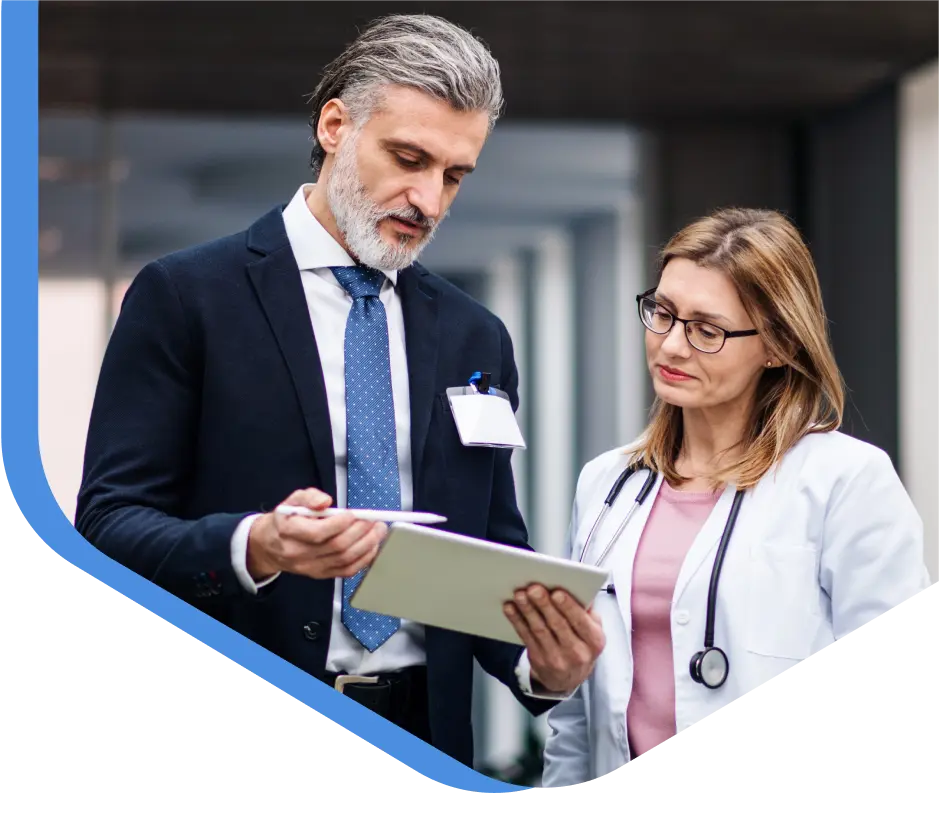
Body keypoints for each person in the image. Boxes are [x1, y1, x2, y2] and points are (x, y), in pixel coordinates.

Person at [74, 14, 604, 772]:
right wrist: (254, 544)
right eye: (408, 158)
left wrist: (539, 666)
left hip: (425, 731)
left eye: (453, 175)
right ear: (334, 126)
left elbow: (486, 549)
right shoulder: (188, 298)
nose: (428, 199)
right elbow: (105, 526)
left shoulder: (473, 335)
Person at [535, 207, 933, 789]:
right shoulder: (608, 483)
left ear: (775, 344)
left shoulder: (843, 482)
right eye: (662, 313)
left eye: (707, 329)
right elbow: (578, 712)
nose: (671, 346)